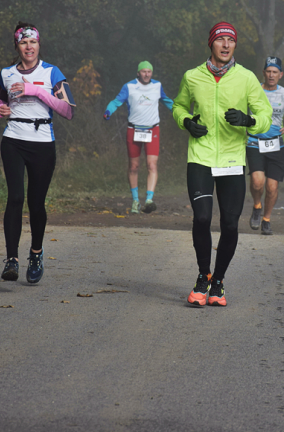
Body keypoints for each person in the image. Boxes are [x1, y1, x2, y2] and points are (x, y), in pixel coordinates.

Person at [173, 21, 272, 307]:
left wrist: (248, 120)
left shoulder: (247, 78)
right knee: (202, 218)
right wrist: (187, 122)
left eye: (231, 40)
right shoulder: (192, 77)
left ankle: (218, 281)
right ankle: (203, 276)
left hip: (231, 160)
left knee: (229, 224)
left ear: (235, 45)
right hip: (201, 158)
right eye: (220, 40)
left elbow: (264, 113)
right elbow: (178, 106)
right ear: (211, 44)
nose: (226, 45)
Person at [0, 22, 75, 284]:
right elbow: (1, 99)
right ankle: (11, 260)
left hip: (42, 142)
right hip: (13, 139)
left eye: (33, 42)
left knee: (36, 203)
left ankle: (36, 253)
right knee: (15, 197)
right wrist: (1, 109)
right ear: (17, 46)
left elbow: (68, 110)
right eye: (23, 42)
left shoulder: (51, 72)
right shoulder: (6, 73)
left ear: (39, 44)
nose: (28, 47)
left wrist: (36, 90)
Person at [104, 61, 173, 214]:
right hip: (134, 129)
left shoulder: (157, 86)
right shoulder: (129, 87)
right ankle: (135, 200)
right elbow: (117, 101)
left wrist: (180, 114)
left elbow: (167, 101)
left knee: (152, 165)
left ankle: (149, 199)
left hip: (152, 129)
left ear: (152, 73)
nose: (146, 74)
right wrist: (108, 111)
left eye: (149, 71)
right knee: (134, 166)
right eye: (143, 71)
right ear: (138, 73)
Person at [247, 56, 284, 236]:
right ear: (263, 73)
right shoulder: (253, 91)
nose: (271, 75)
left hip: (276, 145)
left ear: (280, 75)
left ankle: (266, 219)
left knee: (271, 187)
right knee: (256, 181)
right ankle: (256, 206)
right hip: (254, 142)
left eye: (274, 72)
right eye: (268, 71)